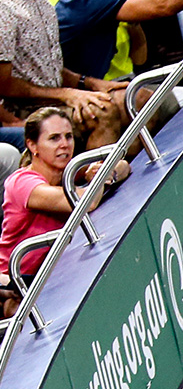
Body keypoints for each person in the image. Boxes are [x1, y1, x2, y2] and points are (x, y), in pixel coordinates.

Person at [0, 0, 125, 149]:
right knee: (103, 112)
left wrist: (89, 83)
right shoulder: (2, 3)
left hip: (53, 99)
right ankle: (96, 183)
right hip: (28, 109)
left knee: (135, 101)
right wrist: (66, 94)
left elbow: (45, 64)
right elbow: (3, 84)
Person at [0, 106, 126, 304]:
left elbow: (123, 165)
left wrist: (103, 172)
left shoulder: (69, 171)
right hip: (18, 283)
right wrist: (102, 177)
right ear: (33, 146)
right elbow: (87, 201)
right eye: (54, 138)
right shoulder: (21, 183)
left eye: (68, 136)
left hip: (59, 273)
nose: (64, 145)